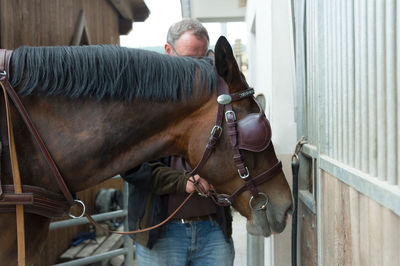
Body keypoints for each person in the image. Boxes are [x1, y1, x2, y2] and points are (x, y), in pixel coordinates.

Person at [121, 19, 234, 266]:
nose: (196, 68)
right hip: (163, 235)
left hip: (213, 231)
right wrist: (183, 184)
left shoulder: (215, 99)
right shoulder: (143, 101)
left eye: (202, 59)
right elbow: (131, 166)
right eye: (187, 59)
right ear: (168, 51)